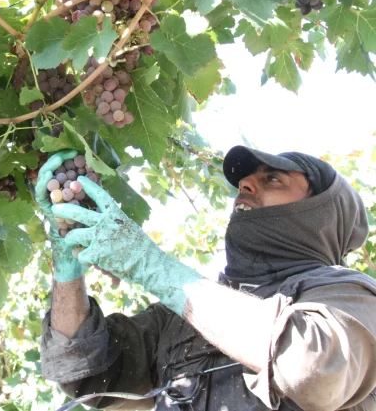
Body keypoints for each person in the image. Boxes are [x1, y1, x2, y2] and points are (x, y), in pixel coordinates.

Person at [36, 146, 376, 411]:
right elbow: (85, 372)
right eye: (247, 180)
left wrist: (151, 265)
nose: (245, 184)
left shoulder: (348, 295)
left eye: (273, 179)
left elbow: (316, 368)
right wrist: (67, 265)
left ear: (321, 213)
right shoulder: (178, 319)